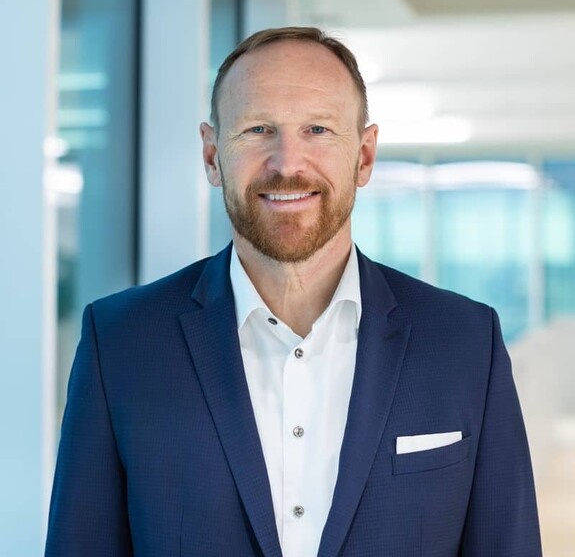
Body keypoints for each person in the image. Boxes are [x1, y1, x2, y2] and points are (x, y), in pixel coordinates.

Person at [45, 27, 542, 557]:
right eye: (258, 129)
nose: (287, 163)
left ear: (365, 156)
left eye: (319, 130)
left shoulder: (465, 342)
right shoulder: (121, 343)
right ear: (212, 155)